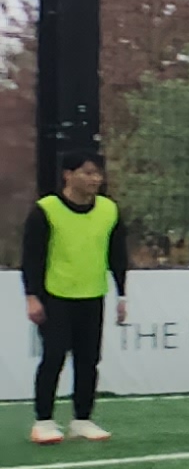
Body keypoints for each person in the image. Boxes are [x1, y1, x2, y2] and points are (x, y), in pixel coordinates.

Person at [23, 145, 131, 446]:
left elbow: (117, 255)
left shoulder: (109, 210)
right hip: (55, 295)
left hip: (92, 294)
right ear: (68, 175)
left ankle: (82, 419)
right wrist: (32, 296)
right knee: (54, 357)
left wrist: (122, 295)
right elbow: (32, 257)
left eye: (98, 173)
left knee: (88, 360)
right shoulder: (46, 210)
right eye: (88, 173)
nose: (95, 179)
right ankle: (43, 421)